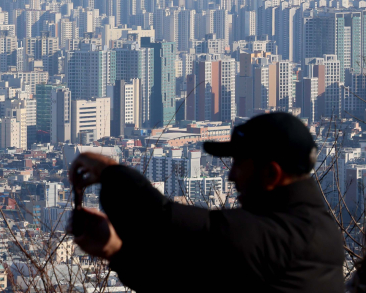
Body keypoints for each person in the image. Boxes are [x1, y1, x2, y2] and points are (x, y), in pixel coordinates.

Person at [68, 112, 344, 292]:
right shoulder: (316, 230)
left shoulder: (279, 236)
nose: (231, 175)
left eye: (239, 163)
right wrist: (117, 252)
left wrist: (108, 170)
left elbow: (161, 220)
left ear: (271, 173)